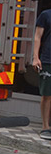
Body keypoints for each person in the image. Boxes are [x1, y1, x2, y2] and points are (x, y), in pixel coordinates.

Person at [32, 8, 51, 140]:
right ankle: (45, 127)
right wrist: (35, 57)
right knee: (47, 95)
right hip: (48, 60)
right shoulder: (46, 15)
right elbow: (37, 37)